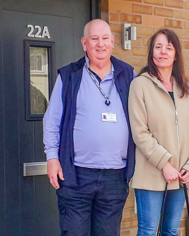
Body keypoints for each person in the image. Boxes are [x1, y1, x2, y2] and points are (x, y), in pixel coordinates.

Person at [43, 19, 136, 236]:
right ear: (85, 43)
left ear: (113, 42)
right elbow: (52, 120)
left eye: (105, 38)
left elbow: (145, 117)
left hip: (115, 176)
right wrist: (52, 157)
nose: (100, 44)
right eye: (94, 39)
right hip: (75, 174)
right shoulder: (69, 76)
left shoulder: (129, 75)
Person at [128, 28, 189, 236]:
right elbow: (139, 132)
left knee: (171, 231)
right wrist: (165, 164)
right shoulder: (140, 85)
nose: (163, 52)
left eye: (168, 47)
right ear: (152, 53)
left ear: (176, 53)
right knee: (149, 231)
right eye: (158, 47)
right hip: (151, 173)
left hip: (180, 175)